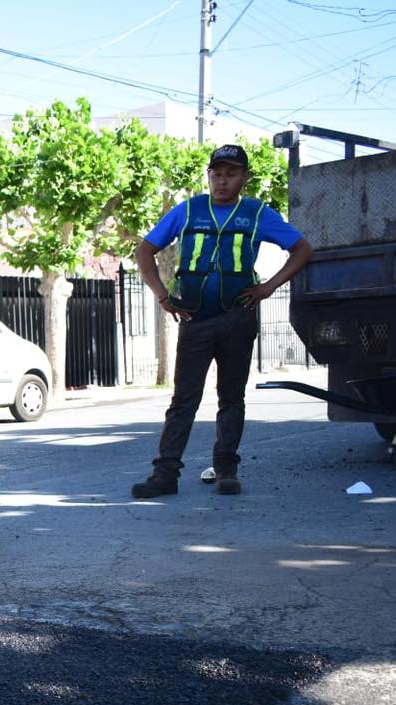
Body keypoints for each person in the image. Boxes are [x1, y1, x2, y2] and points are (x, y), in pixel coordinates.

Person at [131, 144, 315, 498]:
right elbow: (145, 249)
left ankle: (226, 470)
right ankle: (165, 474)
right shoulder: (188, 210)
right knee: (184, 398)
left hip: (237, 317)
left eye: (231, 174)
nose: (222, 180)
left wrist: (267, 288)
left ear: (244, 178)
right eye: (217, 173)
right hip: (196, 319)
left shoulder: (257, 213)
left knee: (231, 397)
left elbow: (302, 249)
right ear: (209, 176)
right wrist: (162, 296)